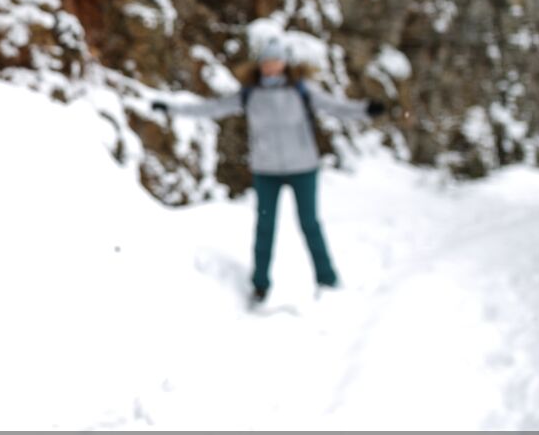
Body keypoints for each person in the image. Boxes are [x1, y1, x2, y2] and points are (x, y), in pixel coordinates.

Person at [152, 38, 384, 304]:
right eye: (266, 63)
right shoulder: (250, 94)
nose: (270, 67)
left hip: (302, 168)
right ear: (260, 65)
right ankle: (260, 285)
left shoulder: (301, 90)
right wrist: (171, 108)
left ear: (284, 64)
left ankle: (327, 279)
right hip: (266, 171)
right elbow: (212, 108)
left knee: (310, 224)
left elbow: (336, 107)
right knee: (265, 227)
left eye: (275, 62)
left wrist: (366, 110)